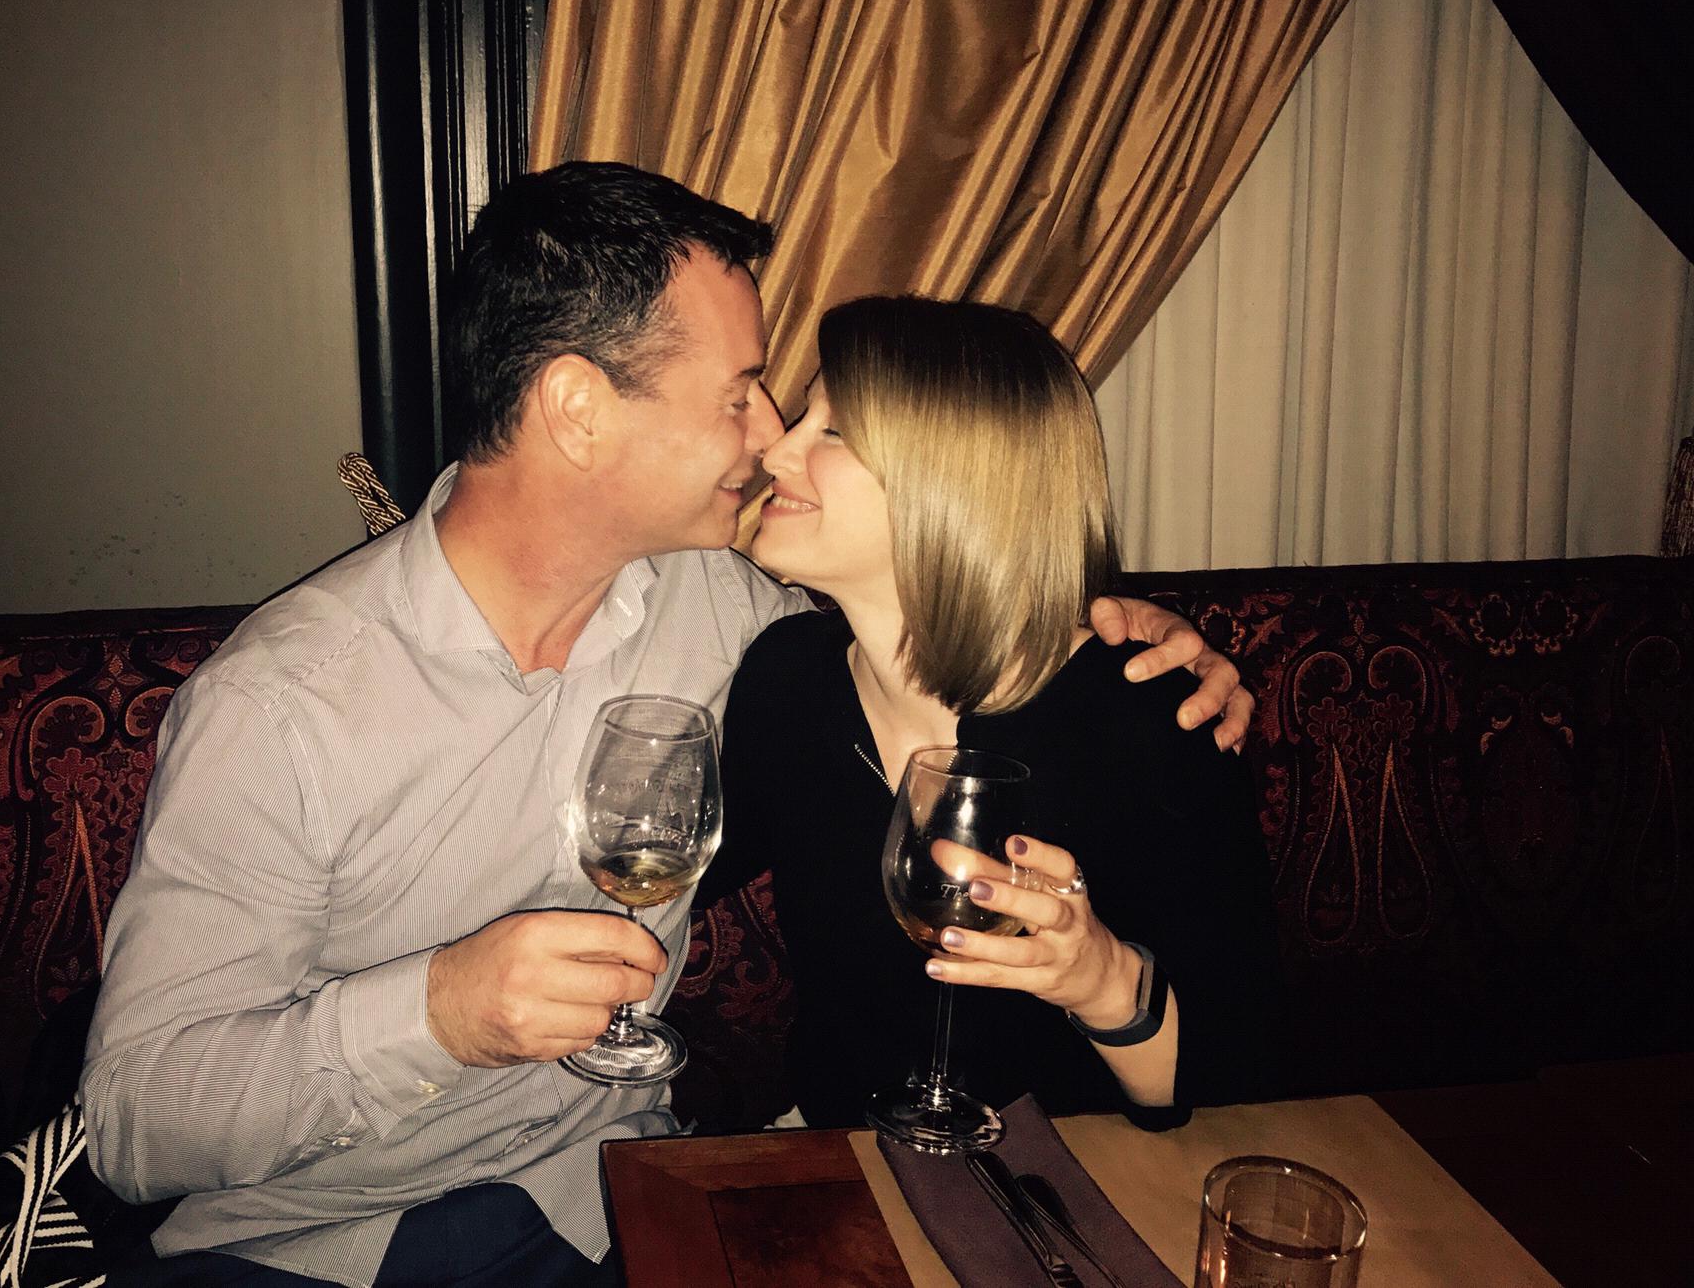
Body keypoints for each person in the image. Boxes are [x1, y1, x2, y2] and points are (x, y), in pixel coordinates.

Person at [81, 163, 1251, 1288]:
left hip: (607, 1204)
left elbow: (950, 625)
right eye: (738, 395)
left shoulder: (734, 621)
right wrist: (436, 1013)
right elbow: (136, 1127)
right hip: (309, 1244)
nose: (767, 435)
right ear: (577, 410)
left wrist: (1123, 634)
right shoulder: (280, 707)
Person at [705, 295, 1280, 1134]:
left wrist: (1101, 980)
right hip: (848, 1156)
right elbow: (679, 861)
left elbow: (1241, 1079)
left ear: (953, 484)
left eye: (833, 430)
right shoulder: (787, 680)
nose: (778, 449)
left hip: (1079, 1171)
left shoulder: (1149, 717)